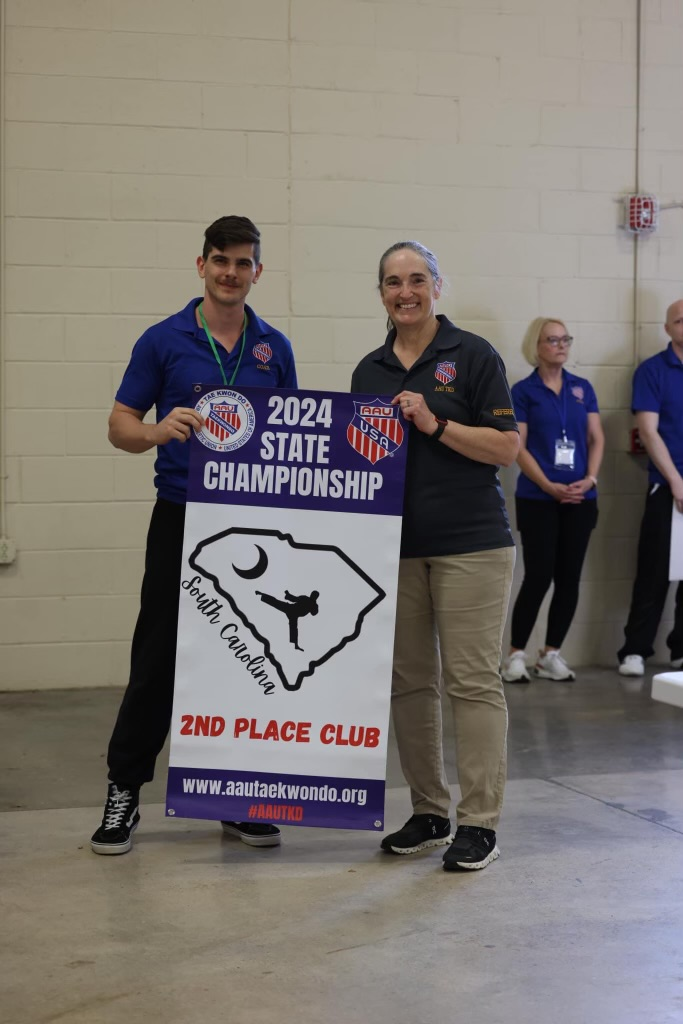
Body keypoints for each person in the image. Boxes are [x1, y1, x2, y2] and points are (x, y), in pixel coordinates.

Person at [91, 216, 298, 855]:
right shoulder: (163, 340)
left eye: (243, 263)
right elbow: (119, 423)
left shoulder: (274, 346)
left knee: (247, 658)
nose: (230, 273)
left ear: (258, 271)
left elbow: (293, 433)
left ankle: (238, 799)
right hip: (181, 514)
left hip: (254, 525)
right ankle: (124, 790)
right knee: (157, 659)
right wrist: (155, 431)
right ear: (201, 265)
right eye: (220, 261)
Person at [351, 241, 519, 872]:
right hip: (394, 550)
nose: (405, 292)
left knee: (473, 682)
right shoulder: (368, 370)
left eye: (416, 279)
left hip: (472, 544)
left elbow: (506, 448)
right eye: (392, 282)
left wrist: (435, 424)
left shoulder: (472, 355)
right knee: (409, 682)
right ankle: (429, 811)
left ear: (436, 287)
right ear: (382, 294)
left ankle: (479, 824)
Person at [501, 318, 604, 683]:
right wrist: (547, 484)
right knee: (539, 575)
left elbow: (596, 438)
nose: (560, 346)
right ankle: (515, 656)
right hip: (538, 498)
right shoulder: (523, 392)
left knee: (569, 577)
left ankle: (551, 654)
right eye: (552, 340)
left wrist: (589, 479)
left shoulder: (582, 388)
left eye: (565, 340)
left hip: (580, 498)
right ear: (537, 346)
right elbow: (519, 447)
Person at [617, 300, 683, 677]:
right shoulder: (653, 371)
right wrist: (675, 481)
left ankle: (680, 651)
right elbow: (648, 430)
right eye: (680, 320)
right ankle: (635, 650)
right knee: (654, 572)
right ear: (667, 327)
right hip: (666, 486)